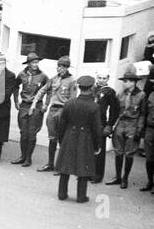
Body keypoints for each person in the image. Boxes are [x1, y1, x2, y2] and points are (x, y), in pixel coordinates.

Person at [55, 75, 103, 204]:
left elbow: (62, 124)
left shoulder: (69, 103)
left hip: (69, 136)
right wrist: (97, 145)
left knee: (65, 166)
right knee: (83, 167)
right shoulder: (94, 106)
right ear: (91, 88)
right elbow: (97, 128)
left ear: (79, 87)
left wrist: (61, 140)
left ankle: (62, 193)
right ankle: (81, 196)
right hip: (85, 138)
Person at [105, 65, 146, 189]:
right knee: (118, 151)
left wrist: (139, 129)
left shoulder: (141, 95)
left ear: (133, 82)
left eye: (126, 81)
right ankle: (118, 177)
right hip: (121, 122)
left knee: (129, 153)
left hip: (133, 123)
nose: (124, 83)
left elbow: (143, 114)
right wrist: (111, 125)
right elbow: (116, 110)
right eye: (124, 81)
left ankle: (125, 178)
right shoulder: (120, 94)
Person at [34, 56, 76, 172]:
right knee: (52, 138)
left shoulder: (72, 81)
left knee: (62, 139)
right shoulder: (54, 79)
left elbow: (72, 99)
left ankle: (61, 166)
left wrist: (69, 114)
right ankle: (50, 164)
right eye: (58, 66)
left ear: (67, 68)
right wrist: (38, 101)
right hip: (53, 109)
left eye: (62, 67)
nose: (59, 68)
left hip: (63, 110)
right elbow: (44, 90)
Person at [10, 53, 48, 165]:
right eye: (33, 62)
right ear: (28, 63)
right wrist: (16, 101)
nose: (35, 65)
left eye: (37, 62)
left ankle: (28, 158)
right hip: (24, 105)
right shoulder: (22, 74)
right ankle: (22, 156)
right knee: (23, 132)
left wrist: (46, 104)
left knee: (32, 132)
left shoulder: (43, 76)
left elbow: (49, 89)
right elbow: (15, 86)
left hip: (36, 106)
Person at [92, 72, 120, 183]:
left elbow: (114, 110)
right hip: (89, 122)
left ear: (108, 79)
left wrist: (109, 125)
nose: (101, 80)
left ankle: (98, 175)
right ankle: (86, 172)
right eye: (99, 78)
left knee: (99, 149)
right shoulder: (92, 89)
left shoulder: (109, 91)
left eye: (104, 78)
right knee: (88, 147)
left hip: (100, 122)